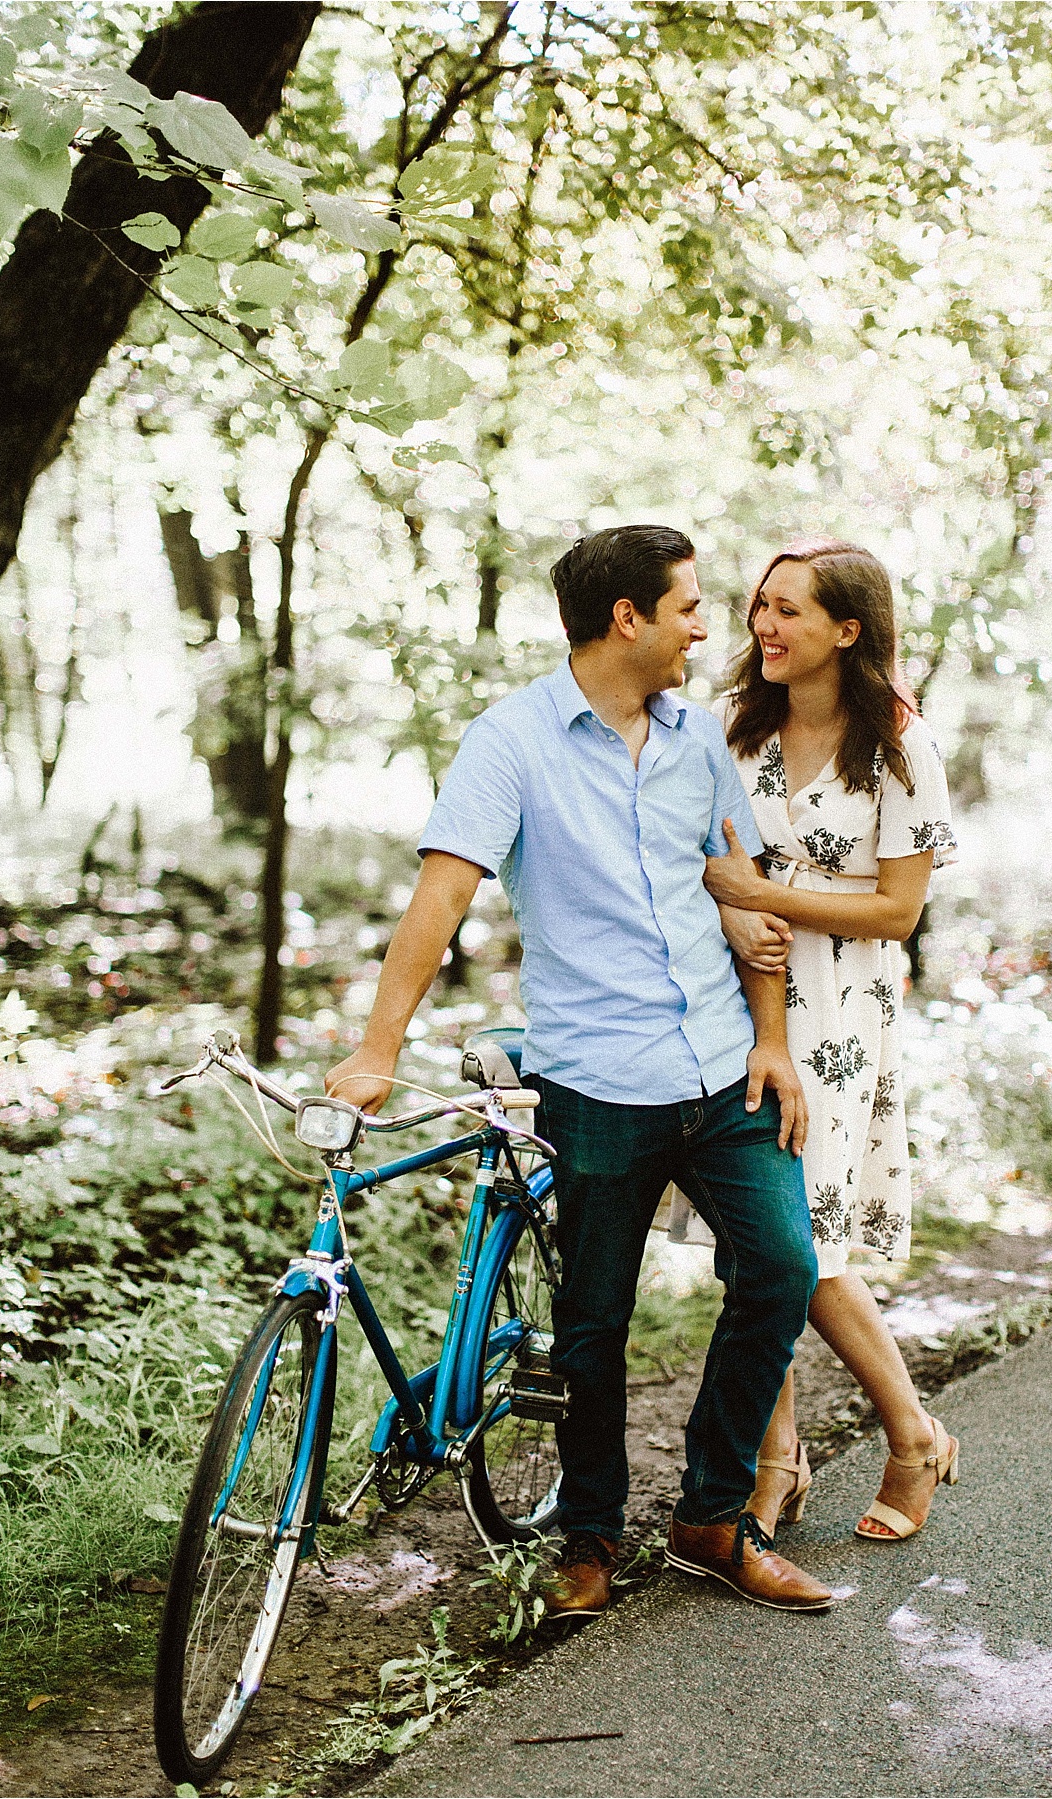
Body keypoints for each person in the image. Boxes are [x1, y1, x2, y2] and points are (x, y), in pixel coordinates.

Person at [325, 525, 833, 1617]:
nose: (711, 624)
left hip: (719, 1070)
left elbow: (743, 897)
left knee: (782, 1270)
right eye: (690, 606)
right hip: (596, 1080)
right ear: (627, 619)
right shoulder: (510, 742)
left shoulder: (700, 740)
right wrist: (378, 1048)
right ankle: (588, 1537)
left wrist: (773, 1037)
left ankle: (710, 1514)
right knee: (593, 1323)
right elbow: (443, 895)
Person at [703, 535, 960, 1544]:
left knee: (801, 1243)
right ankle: (780, 1457)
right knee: (747, 1245)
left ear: (846, 630)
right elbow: (699, 862)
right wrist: (730, 911)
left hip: (839, 1014)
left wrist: (760, 891)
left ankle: (908, 1432)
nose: (764, 624)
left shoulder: (901, 746)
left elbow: (899, 910)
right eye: (760, 605)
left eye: (789, 610)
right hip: (727, 1005)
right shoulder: (733, 733)